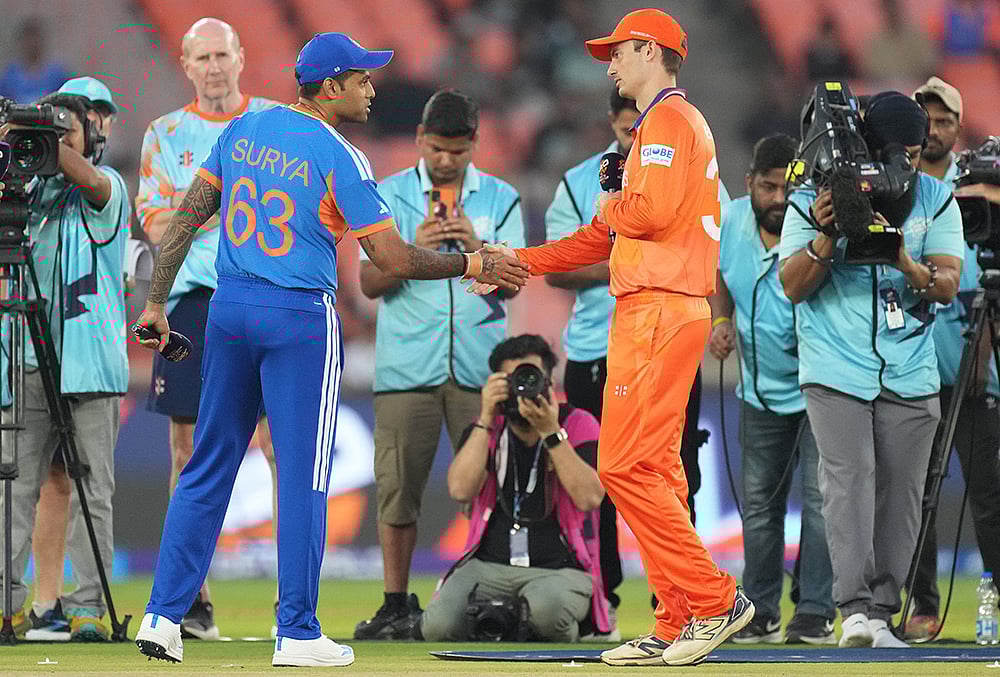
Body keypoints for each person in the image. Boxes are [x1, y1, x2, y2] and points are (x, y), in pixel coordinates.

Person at [131, 32, 528, 668]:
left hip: (229, 310)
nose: (372, 89)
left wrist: (154, 301)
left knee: (207, 465)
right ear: (332, 86)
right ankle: (297, 631)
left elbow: (183, 219)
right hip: (297, 320)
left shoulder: (243, 131)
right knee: (303, 475)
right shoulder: (340, 156)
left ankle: (162, 616)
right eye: (363, 79)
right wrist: (472, 260)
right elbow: (392, 258)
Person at [472, 9, 755, 667]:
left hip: (658, 307)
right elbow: (606, 237)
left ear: (650, 51)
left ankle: (715, 600)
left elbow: (642, 214)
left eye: (618, 53)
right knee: (649, 468)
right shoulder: (663, 127)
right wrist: (526, 258)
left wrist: (610, 203)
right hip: (651, 306)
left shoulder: (669, 123)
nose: (610, 65)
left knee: (624, 465)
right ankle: (674, 616)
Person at [780, 91, 964, 648]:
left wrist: (903, 260)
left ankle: (885, 616)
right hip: (835, 364)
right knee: (848, 485)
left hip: (910, 368)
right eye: (899, 151)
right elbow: (792, 285)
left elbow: (949, 282)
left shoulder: (936, 198)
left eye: (914, 153)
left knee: (903, 497)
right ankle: (853, 611)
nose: (906, 164)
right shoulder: (813, 195)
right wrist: (827, 235)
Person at [543, 90, 726, 635]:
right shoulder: (584, 177)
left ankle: (704, 601)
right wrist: (518, 260)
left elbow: (650, 222)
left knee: (651, 471)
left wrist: (619, 232)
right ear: (614, 125)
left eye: (636, 132)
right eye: (624, 132)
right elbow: (567, 259)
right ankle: (646, 612)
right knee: (636, 474)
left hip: (658, 323)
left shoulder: (671, 143)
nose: (631, 139)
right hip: (604, 342)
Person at [354, 88, 525, 640]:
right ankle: (396, 603)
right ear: (420, 140)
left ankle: (489, 600)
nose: (445, 159)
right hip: (407, 369)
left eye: (456, 149)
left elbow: (517, 283)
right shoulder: (388, 195)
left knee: (490, 491)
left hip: (480, 372)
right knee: (397, 489)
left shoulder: (501, 199)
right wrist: (412, 253)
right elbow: (368, 283)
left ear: (474, 143)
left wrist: (480, 245)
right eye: (436, 147)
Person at [134, 17, 280, 640]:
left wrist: (196, 213)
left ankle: (293, 600)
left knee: (282, 447)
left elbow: (302, 208)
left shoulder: (276, 122)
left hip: (266, 295)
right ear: (186, 64)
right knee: (185, 450)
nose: (215, 67)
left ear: (242, 57)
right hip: (192, 302)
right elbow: (156, 226)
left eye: (224, 54)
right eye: (203, 58)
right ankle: (192, 599)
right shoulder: (165, 133)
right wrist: (236, 213)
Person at [0, 90, 130, 642]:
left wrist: (51, 143)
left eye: (67, 134)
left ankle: (86, 609)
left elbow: (94, 184)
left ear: (89, 139)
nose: (51, 146)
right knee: (13, 487)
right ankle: (6, 605)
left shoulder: (110, 188)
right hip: (27, 357)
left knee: (92, 491)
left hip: (91, 363)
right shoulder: (21, 198)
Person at [708, 134, 836, 645]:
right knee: (759, 508)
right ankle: (759, 611)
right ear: (749, 184)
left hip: (817, 388)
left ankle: (815, 611)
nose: (779, 199)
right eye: (767, 187)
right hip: (758, 392)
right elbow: (719, 272)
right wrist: (721, 317)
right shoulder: (731, 221)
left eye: (787, 188)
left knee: (821, 504)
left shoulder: (812, 219)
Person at [418, 334, 609, 642]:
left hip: (559, 569)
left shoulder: (578, 423)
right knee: (437, 627)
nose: (523, 387)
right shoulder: (486, 427)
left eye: (531, 377)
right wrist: (485, 418)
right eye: (512, 379)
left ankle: (527, 621)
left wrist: (551, 432)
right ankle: (513, 620)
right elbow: (460, 490)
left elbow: (590, 498)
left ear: (548, 382)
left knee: (548, 612)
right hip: (489, 565)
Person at [906, 77, 1000, 641]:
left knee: (988, 492)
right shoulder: (898, 191)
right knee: (919, 493)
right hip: (913, 370)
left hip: (975, 370)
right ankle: (921, 603)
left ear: (958, 130)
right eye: (926, 121)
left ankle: (995, 591)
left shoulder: (980, 192)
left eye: (944, 122)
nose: (935, 131)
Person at [0, 16, 68, 103]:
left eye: (35, 40)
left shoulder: (57, 74)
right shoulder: (10, 75)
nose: (32, 44)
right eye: (28, 40)